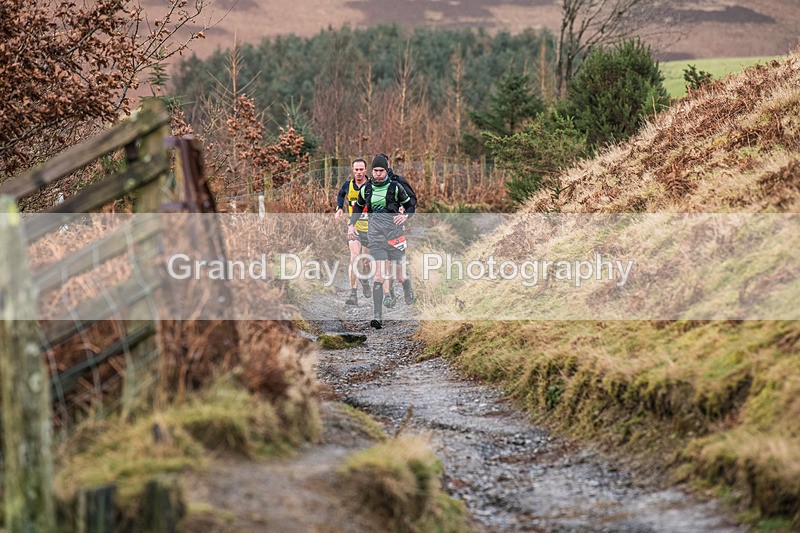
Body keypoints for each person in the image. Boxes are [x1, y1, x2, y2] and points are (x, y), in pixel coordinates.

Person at [348, 154, 415, 329]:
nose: (378, 174)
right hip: (376, 237)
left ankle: (407, 287)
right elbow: (358, 207)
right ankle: (377, 316)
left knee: (400, 275)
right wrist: (351, 225)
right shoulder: (366, 189)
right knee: (378, 276)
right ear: (372, 171)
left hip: (395, 236)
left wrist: (405, 216)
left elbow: (410, 205)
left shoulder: (396, 187)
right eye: (375, 171)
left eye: (381, 171)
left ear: (387, 170)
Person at [377, 152, 417, 304]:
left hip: (396, 229)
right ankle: (389, 294)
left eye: (383, 165)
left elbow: (412, 199)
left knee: (398, 272)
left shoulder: (398, 181)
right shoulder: (372, 184)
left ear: (389, 165)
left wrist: (404, 211)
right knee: (385, 264)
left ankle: (407, 288)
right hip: (379, 231)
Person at [335, 158, 372, 305]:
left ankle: (365, 280)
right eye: (356, 169)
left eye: (361, 169)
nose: (358, 172)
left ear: (366, 170)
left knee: (366, 262)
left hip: (370, 229)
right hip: (354, 228)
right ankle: (353, 294)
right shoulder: (348, 185)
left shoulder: (372, 186)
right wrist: (339, 208)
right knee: (354, 257)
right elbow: (340, 195)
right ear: (353, 170)